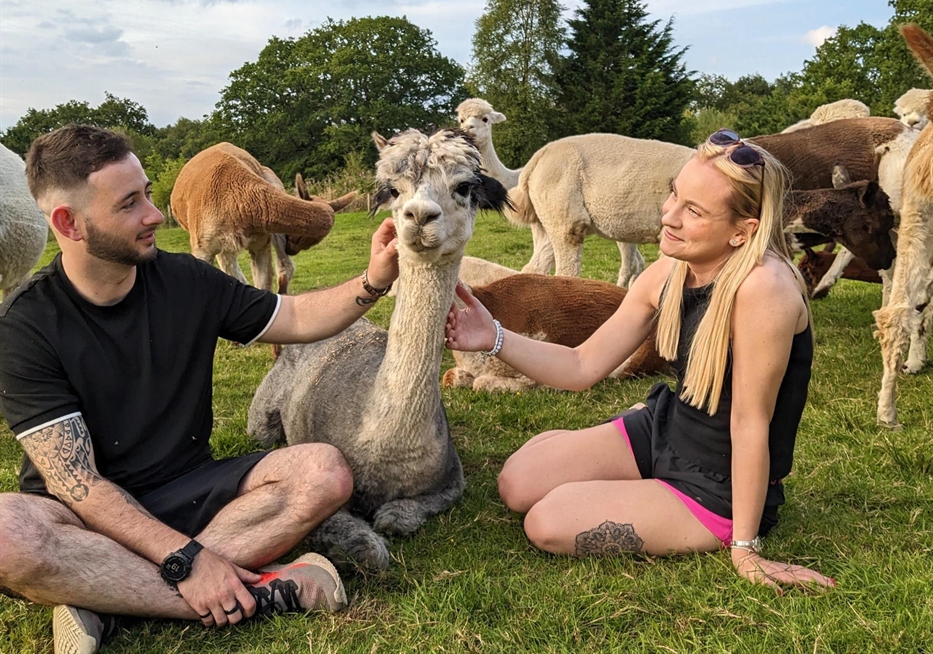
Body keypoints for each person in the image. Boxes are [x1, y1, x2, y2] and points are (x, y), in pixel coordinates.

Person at [0, 125, 399, 654]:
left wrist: (373, 280)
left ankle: (106, 594)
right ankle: (263, 591)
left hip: (191, 487)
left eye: (146, 192)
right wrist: (188, 562)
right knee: (7, 533)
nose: (156, 214)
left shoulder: (186, 279)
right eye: (130, 204)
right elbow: (81, 487)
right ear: (69, 223)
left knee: (323, 471)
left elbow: (294, 314)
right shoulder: (23, 326)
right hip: (82, 513)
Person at [445, 129, 836, 593]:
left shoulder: (764, 290)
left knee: (546, 522)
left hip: (717, 482)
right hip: (667, 427)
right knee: (515, 483)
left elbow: (750, 424)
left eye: (694, 211)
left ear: (742, 231)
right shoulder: (670, 270)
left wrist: (746, 549)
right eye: (675, 194)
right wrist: (493, 336)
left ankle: (720, 522)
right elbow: (581, 365)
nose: (668, 215)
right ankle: (629, 442)